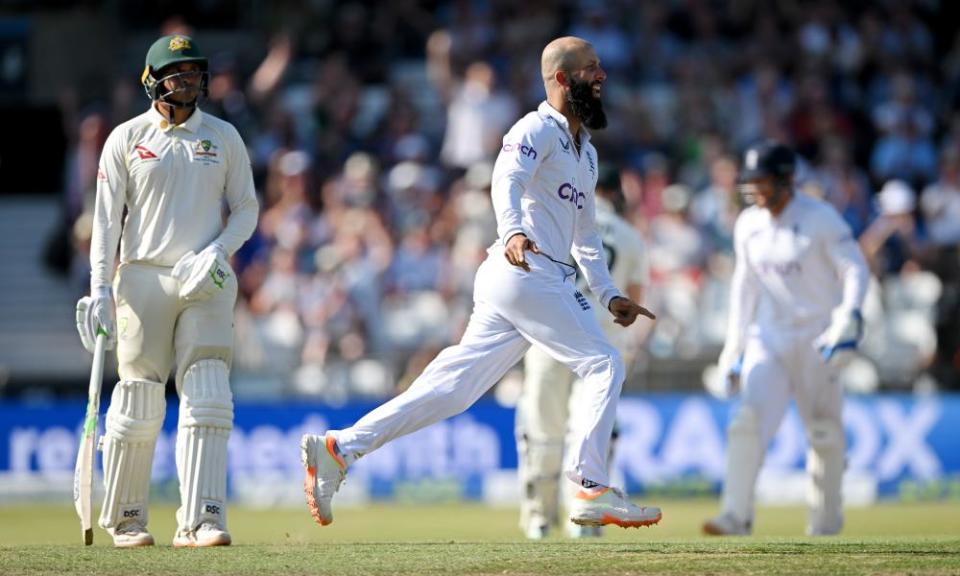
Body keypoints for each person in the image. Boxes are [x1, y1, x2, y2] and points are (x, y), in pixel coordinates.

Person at [300, 36, 661, 531]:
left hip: (526, 278)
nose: (601, 76)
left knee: (452, 390)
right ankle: (590, 485)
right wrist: (512, 228)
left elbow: (588, 238)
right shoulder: (534, 128)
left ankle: (340, 448)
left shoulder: (587, 153)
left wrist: (609, 294)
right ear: (561, 78)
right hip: (526, 270)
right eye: (590, 69)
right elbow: (505, 178)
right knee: (604, 364)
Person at [74, 34, 258, 547]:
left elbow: (246, 208)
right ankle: (128, 518)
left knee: (208, 393)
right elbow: (106, 222)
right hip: (141, 277)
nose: (188, 80)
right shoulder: (126, 138)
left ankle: (203, 519)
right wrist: (101, 290)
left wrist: (218, 251)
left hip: (206, 277)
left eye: (194, 71)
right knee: (137, 398)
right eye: (177, 72)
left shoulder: (222, 136)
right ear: (152, 80)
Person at [703, 142, 869, 536]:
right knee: (747, 422)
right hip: (769, 339)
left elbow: (856, 269)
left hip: (818, 337)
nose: (756, 190)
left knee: (825, 434)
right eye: (751, 182)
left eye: (763, 181)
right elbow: (744, 288)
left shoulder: (820, 217)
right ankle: (735, 515)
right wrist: (733, 347)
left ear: (786, 180)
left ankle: (825, 525)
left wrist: (849, 315)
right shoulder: (748, 223)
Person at [516, 165, 650, 539]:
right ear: (614, 192)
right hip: (598, 348)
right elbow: (633, 306)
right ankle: (586, 518)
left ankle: (539, 519)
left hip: (549, 343)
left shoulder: (551, 224)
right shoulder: (630, 237)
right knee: (589, 434)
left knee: (542, 434)